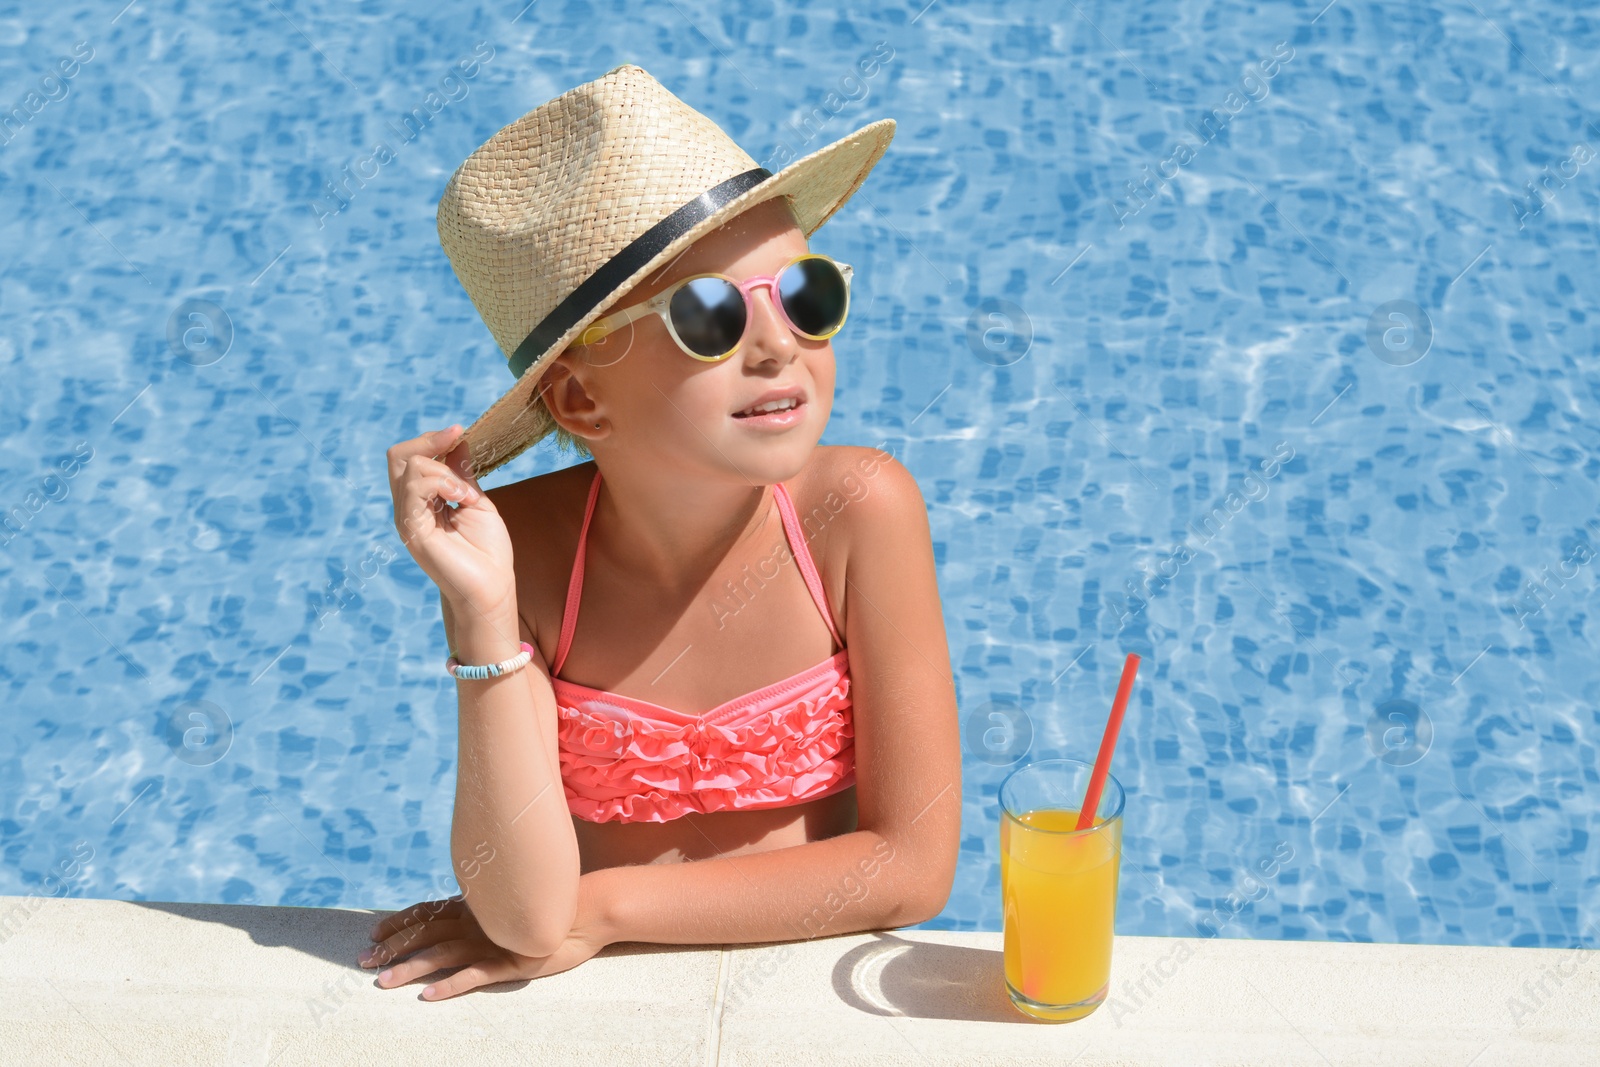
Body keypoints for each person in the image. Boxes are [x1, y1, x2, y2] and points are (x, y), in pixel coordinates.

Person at [365, 63, 959, 1001]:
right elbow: (524, 919)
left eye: (806, 295)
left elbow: (911, 866)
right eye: (711, 316)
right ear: (580, 397)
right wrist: (481, 613)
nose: (779, 346)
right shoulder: (518, 553)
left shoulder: (859, 513)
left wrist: (602, 908)